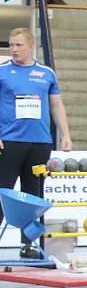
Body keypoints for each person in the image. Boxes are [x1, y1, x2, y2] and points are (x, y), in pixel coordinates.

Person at [0, 28, 72, 258]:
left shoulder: (46, 73)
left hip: (40, 143)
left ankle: (29, 245)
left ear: (31, 46)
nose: (14, 49)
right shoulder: (2, 71)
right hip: (10, 141)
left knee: (33, 196)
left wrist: (65, 134)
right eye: (11, 45)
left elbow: (56, 105)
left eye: (19, 45)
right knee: (3, 192)